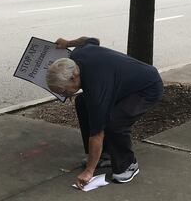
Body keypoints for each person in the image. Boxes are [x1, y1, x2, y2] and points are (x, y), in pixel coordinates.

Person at [46, 37, 163, 187]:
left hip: (147, 87)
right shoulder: (77, 55)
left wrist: (89, 170)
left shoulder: (97, 90)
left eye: (63, 91)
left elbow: (97, 134)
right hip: (123, 85)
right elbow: (92, 40)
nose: (63, 95)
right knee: (81, 102)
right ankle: (104, 155)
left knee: (114, 123)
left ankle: (128, 164)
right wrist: (67, 44)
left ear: (73, 77)